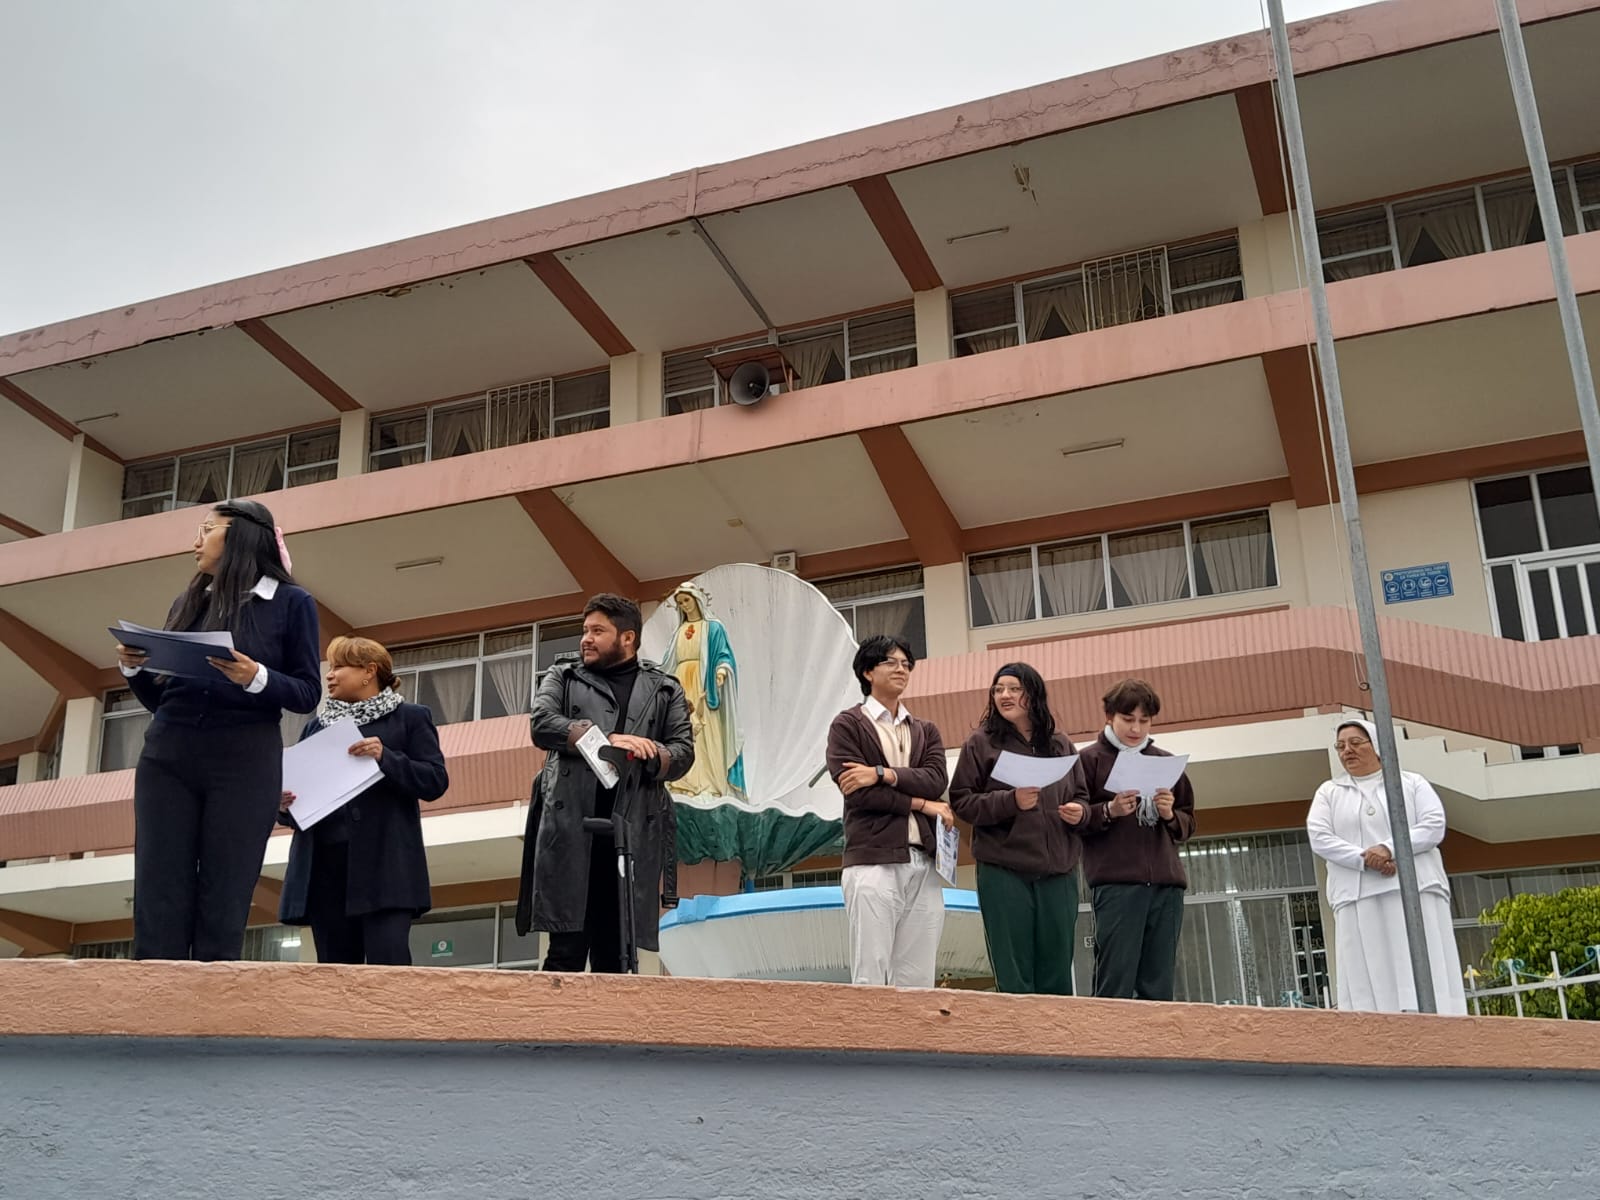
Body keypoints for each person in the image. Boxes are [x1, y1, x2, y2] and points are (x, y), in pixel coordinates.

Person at [114, 499, 322, 961]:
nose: (196, 542)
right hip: (169, 753)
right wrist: (134, 670)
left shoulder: (292, 602)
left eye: (207, 529)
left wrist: (255, 676)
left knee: (226, 883)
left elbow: (308, 692)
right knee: (159, 879)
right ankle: (155, 987)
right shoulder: (188, 600)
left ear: (239, 537)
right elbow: (163, 701)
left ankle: (210, 993)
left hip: (244, 758)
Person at [516, 593, 694, 973]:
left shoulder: (665, 688)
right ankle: (554, 1017)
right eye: (585, 630)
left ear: (627, 638)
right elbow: (542, 723)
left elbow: (683, 752)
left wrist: (649, 752)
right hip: (569, 831)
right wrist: (604, 739)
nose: (586, 639)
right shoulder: (563, 677)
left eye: (598, 631)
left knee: (616, 959)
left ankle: (609, 1017)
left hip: (630, 836)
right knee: (563, 954)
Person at [277, 636, 448, 965]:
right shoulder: (316, 728)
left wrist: (386, 757)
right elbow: (301, 801)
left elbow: (434, 781)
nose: (330, 675)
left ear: (369, 671)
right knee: (336, 974)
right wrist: (284, 806)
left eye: (339, 667)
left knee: (389, 967)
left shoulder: (410, 717)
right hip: (325, 867)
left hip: (386, 869)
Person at [1306, 718, 1467, 1014]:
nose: (1347, 751)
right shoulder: (1328, 792)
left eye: (1356, 743)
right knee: (1369, 966)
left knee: (1420, 955)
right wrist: (1364, 859)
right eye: (1340, 746)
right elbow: (1320, 837)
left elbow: (1433, 826)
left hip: (1414, 887)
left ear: (1377, 745)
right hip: (1357, 892)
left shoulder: (1411, 783)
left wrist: (1388, 849)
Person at [949, 662, 1090, 995]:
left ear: (1034, 694)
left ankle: (1053, 1031)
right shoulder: (980, 743)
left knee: (1057, 972)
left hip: (1059, 871)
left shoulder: (1060, 744)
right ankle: (1017, 1031)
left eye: (1014, 689)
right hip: (1004, 871)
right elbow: (962, 801)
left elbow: (1082, 795)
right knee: (1014, 976)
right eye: (998, 690)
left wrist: (1080, 812)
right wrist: (1010, 801)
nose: (1005, 695)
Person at [826, 634, 953, 988]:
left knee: (919, 978)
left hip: (924, 862)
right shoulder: (848, 725)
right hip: (873, 862)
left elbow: (935, 780)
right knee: (871, 973)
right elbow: (859, 794)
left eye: (906, 664)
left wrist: (882, 773)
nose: (901, 669)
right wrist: (920, 804)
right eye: (891, 662)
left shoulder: (925, 730)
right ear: (868, 672)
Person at [1077, 678, 1196, 1001]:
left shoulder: (1165, 762)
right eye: (1128, 719)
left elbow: (1188, 823)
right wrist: (1109, 810)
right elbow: (1074, 819)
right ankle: (1109, 1036)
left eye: (1144, 720)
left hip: (1166, 886)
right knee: (1115, 979)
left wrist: (1169, 814)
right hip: (1117, 884)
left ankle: (1157, 1037)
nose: (1136, 728)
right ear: (1109, 716)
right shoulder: (1088, 761)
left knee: (1158, 983)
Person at [660, 582, 746, 801]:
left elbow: (724, 654)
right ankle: (682, 782)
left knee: (706, 732)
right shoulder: (678, 632)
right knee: (683, 730)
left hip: (704, 684)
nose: (684, 606)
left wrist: (721, 671)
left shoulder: (713, 628)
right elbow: (668, 663)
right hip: (681, 685)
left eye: (687, 600)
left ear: (696, 599)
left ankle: (709, 783)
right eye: (680, 603)